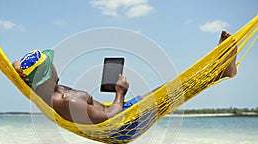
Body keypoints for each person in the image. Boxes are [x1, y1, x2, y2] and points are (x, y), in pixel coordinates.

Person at [12, 30, 237, 124]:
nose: (55, 67)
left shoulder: (41, 87)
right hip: (122, 125)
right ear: (46, 74)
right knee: (177, 90)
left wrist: (22, 69)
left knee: (172, 87)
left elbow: (16, 66)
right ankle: (219, 71)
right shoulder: (66, 101)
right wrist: (120, 91)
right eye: (50, 66)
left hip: (123, 109)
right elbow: (109, 117)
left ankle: (218, 71)